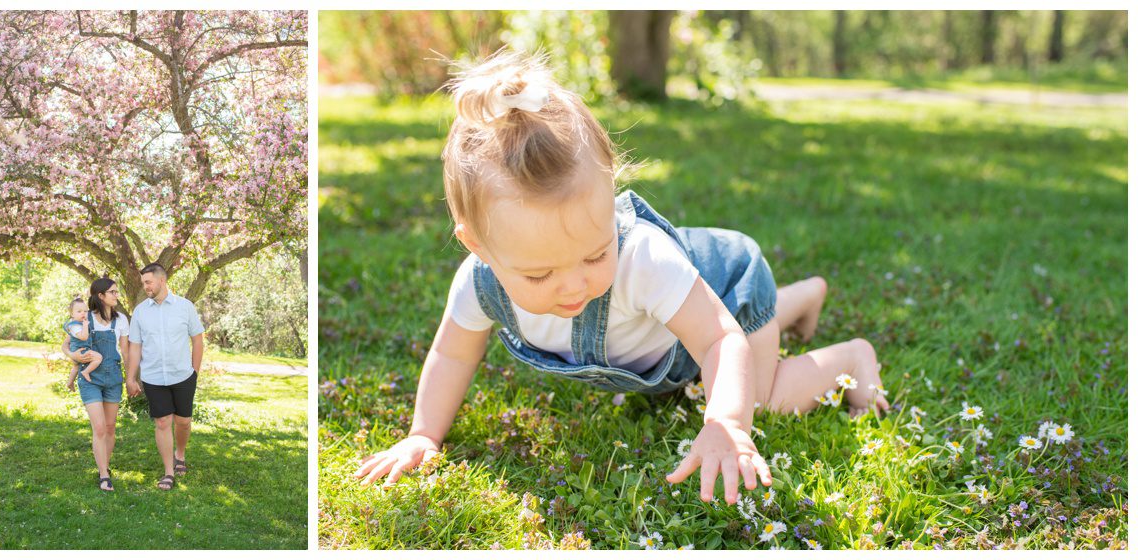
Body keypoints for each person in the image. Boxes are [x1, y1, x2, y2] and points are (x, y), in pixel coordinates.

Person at [353, 51, 890, 506]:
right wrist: (423, 434)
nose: (573, 286)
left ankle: (848, 356)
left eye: (594, 255)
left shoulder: (643, 259)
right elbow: (452, 355)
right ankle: (798, 301)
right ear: (478, 246)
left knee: (760, 398)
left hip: (728, 291)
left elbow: (721, 337)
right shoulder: (479, 284)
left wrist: (727, 422)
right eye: (539, 273)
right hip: (681, 314)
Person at [126, 263, 205, 491]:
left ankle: (180, 453)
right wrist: (131, 378)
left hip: (182, 375)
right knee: (162, 422)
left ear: (162, 280)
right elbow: (135, 346)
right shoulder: (141, 311)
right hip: (153, 377)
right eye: (143, 283)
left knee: (183, 422)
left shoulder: (185, 307)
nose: (145, 286)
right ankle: (168, 471)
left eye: (148, 282)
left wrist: (194, 372)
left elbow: (197, 340)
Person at [62, 278, 130, 492]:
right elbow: (65, 344)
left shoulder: (121, 320)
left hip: (113, 378)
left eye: (117, 291)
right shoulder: (85, 317)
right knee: (99, 427)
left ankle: (105, 466)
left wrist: (130, 378)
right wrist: (72, 354)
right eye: (113, 292)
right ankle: (103, 475)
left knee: (110, 427)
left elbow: (126, 351)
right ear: (101, 296)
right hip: (90, 378)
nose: (116, 295)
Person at [64, 297, 102, 384]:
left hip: (77, 351)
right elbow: (84, 337)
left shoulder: (76, 323)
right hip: (80, 351)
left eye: (85, 311)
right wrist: (85, 325)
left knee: (76, 367)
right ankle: (86, 372)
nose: (83, 313)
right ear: (72, 314)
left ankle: (70, 383)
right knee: (98, 358)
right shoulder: (75, 326)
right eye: (79, 311)